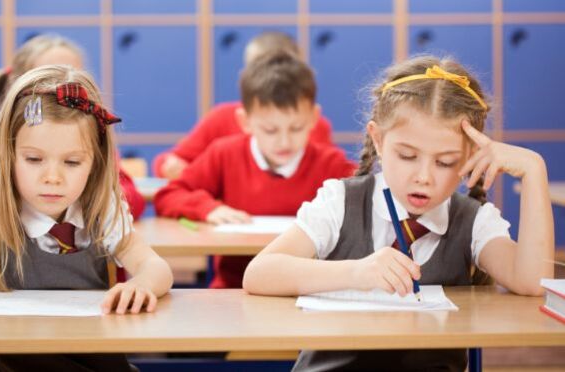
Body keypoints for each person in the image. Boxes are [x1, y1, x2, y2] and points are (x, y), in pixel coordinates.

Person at [243, 55, 554, 371]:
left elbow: (532, 283)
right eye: (407, 156)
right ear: (378, 140)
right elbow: (259, 273)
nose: (423, 176)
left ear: (472, 157)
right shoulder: (340, 201)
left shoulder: (475, 222)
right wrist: (356, 273)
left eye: (445, 162)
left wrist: (533, 170)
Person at [0, 65, 173, 371]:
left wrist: (143, 284)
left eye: (71, 162)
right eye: (34, 159)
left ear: (96, 162)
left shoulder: (101, 208)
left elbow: (155, 267)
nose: (52, 177)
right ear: (8, 155)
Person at [154, 52, 357, 289]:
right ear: (245, 121)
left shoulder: (331, 164)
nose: (284, 142)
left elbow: (366, 204)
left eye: (296, 128)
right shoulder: (224, 154)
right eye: (270, 130)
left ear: (314, 118)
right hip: (233, 288)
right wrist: (207, 208)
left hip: (306, 288)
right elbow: (168, 195)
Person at [0, 34, 145, 219]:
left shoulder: (87, 140)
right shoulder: (5, 141)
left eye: (72, 162)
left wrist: (98, 195)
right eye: (33, 159)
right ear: (19, 86)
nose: (61, 89)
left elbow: (134, 201)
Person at [153, 31, 335, 180]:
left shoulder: (316, 124)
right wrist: (174, 168)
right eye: (270, 130)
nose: (273, 76)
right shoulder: (221, 118)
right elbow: (168, 162)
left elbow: (330, 177)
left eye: (295, 128)